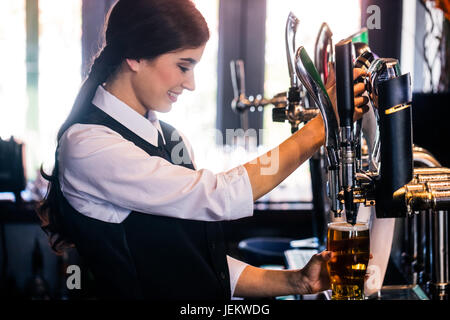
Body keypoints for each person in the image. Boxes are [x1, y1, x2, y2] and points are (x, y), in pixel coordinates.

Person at [37, 0, 368, 300]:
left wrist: (297, 282)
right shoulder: (90, 145)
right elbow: (218, 196)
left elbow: (197, 261)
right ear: (136, 55)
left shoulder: (170, 139)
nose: (191, 83)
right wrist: (318, 129)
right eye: (183, 66)